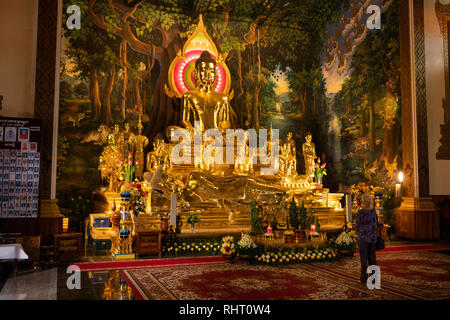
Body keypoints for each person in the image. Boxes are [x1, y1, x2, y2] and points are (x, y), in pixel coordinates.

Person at [356, 193, 378, 285]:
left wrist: (358, 234)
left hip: (363, 239)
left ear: (362, 202)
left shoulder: (360, 213)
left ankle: (363, 279)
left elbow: (357, 226)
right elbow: (376, 223)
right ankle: (374, 279)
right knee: (372, 259)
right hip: (372, 238)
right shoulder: (373, 212)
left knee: (364, 260)